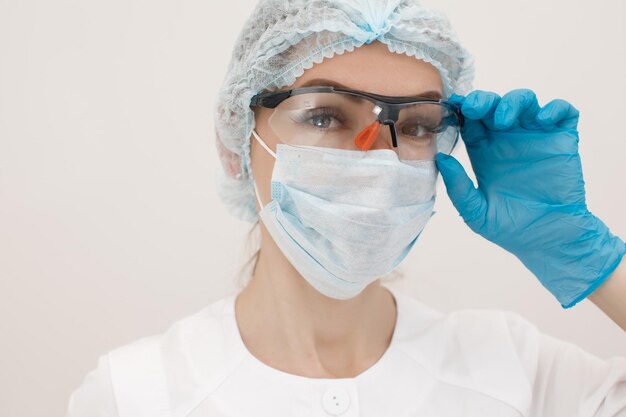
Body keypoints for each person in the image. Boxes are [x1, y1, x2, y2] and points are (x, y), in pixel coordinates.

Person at [65, 0, 626, 416]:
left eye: (415, 125)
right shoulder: (135, 394)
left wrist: (582, 254)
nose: (377, 161)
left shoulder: (516, 370)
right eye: (326, 115)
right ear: (236, 138)